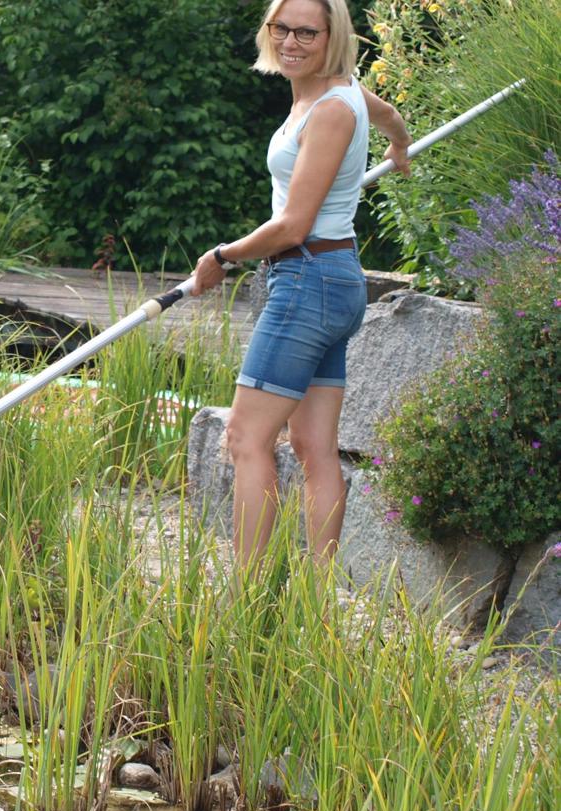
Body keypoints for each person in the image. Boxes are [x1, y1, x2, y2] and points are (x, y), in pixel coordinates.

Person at [189, 0, 412, 573]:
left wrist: (222, 257)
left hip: (308, 278)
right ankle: (312, 609)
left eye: (306, 31)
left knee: (244, 439)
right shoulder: (343, 96)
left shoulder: (332, 109)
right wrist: (398, 147)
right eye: (280, 28)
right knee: (314, 450)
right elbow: (389, 116)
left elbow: (293, 224)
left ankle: (251, 599)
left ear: (332, 34)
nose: (290, 40)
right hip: (331, 280)